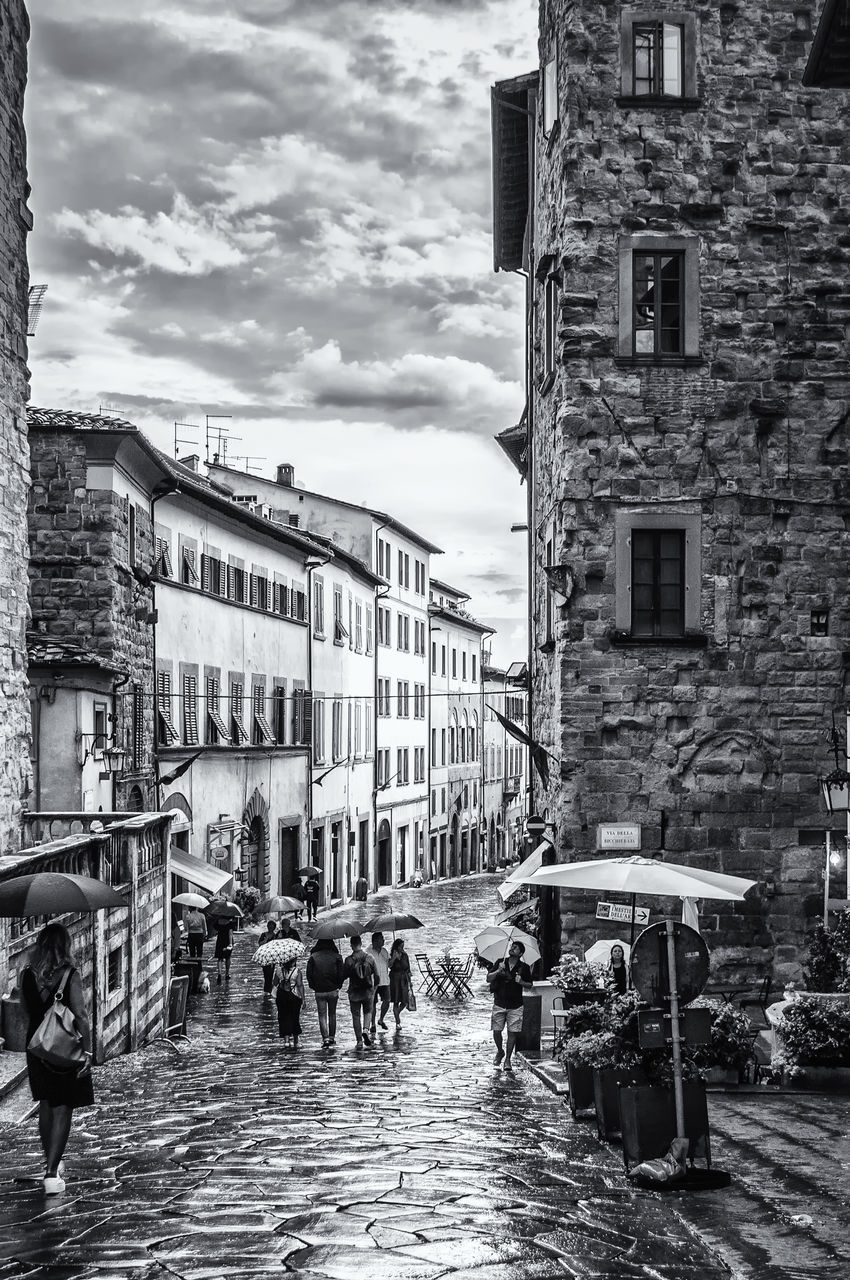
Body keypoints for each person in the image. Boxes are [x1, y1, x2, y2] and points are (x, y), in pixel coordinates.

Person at [20, 924, 94, 1194]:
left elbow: (26, 1011)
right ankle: (52, 1174)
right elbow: (81, 1015)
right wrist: (87, 1050)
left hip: (36, 1046)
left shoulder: (26, 974)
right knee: (63, 1106)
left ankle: (51, 1162)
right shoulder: (69, 975)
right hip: (63, 1048)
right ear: (65, 945)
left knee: (46, 1104)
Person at [486, 940, 533, 1071]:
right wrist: (498, 971)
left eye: (516, 948)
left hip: (516, 1005)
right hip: (499, 1003)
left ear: (521, 953)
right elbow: (488, 978)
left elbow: (530, 985)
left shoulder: (524, 967)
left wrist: (521, 981)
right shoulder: (500, 962)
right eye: (512, 946)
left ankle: (507, 1060)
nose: (512, 949)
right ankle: (500, 1051)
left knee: (512, 1033)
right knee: (496, 1031)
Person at [306, 938, 345, 1048]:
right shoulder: (337, 956)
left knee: (322, 1014)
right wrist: (339, 985)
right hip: (333, 989)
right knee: (332, 1014)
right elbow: (341, 974)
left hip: (319, 990)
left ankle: (325, 1038)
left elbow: (309, 974)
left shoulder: (313, 957)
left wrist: (313, 986)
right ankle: (332, 1037)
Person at [342, 935, 378, 1049]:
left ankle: (359, 1041)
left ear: (351, 945)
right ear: (361, 943)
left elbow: (343, 975)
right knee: (368, 1012)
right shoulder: (370, 958)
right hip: (368, 991)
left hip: (354, 992)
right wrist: (374, 987)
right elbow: (377, 975)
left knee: (356, 1016)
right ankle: (366, 1030)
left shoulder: (348, 960)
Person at [275, 956, 305, 1048]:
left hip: (281, 996)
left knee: (283, 1017)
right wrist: (303, 999)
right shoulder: (297, 971)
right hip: (294, 996)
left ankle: (286, 1040)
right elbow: (300, 985)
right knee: (295, 1017)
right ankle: (296, 1041)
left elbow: (275, 983)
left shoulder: (279, 970)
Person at [367, 932, 390, 1035]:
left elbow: (390, 965)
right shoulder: (368, 952)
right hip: (373, 982)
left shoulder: (385, 952)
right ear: (375, 941)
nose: (383, 940)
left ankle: (381, 1019)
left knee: (387, 1000)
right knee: (373, 1004)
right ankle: (373, 1024)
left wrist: (394, 957)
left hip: (385, 980)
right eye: (381, 939)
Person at [388, 938, 412, 1030]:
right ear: (396, 947)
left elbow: (408, 968)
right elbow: (389, 966)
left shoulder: (405, 955)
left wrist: (410, 981)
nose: (402, 948)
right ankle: (398, 1022)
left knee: (404, 1001)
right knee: (396, 1001)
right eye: (401, 946)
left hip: (404, 978)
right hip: (395, 979)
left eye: (403, 946)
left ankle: (396, 1013)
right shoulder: (392, 955)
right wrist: (394, 958)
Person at [260, 919, 279, 994]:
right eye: (269, 926)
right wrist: (265, 940)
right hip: (265, 957)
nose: (270, 927)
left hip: (272, 957)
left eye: (272, 926)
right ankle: (267, 988)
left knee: (270, 973)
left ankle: (268, 989)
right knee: (265, 973)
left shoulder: (275, 936)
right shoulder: (263, 935)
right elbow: (260, 944)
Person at [214, 919, 234, 983]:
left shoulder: (218, 921)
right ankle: (227, 974)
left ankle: (219, 974)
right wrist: (230, 944)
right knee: (228, 957)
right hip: (227, 941)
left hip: (220, 941)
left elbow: (216, 929)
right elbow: (230, 934)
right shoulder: (230, 923)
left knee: (220, 958)